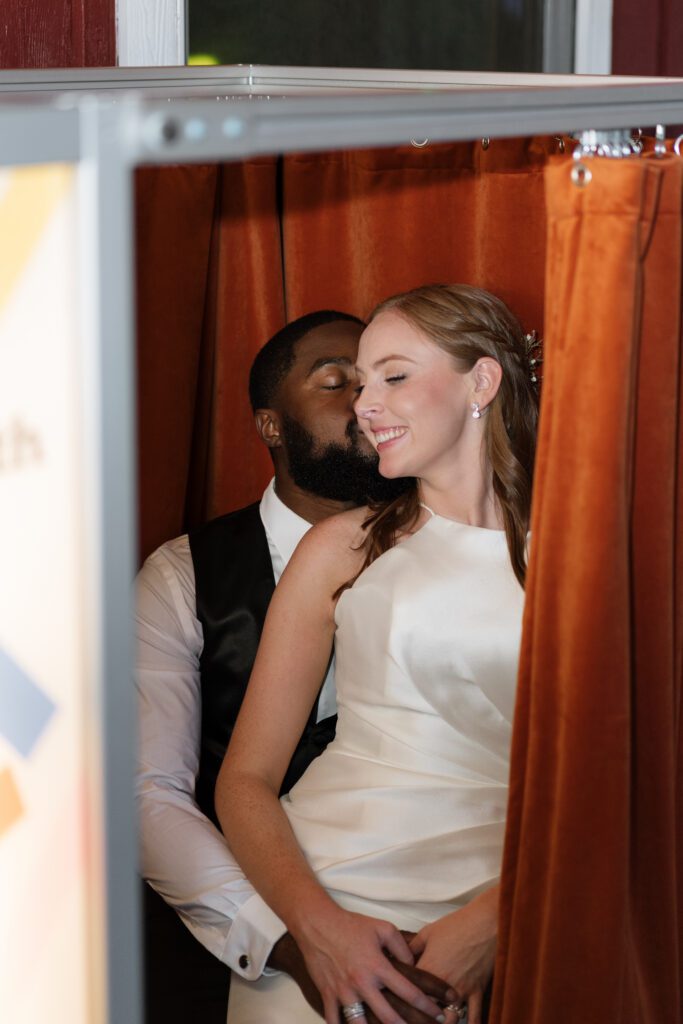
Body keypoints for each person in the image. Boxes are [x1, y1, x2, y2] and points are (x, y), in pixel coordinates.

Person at [215, 283, 539, 1024]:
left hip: (507, 915)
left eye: (393, 376)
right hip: (331, 903)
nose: (364, 405)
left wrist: (494, 923)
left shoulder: (587, 552)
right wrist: (317, 933)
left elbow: (631, 786)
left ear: (481, 383)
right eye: (360, 384)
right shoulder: (342, 548)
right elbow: (246, 780)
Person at [135, 310, 445, 1024]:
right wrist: (290, 942)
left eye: (382, 380)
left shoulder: (461, 550)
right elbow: (149, 793)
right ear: (270, 425)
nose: (367, 402)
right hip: (241, 943)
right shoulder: (182, 576)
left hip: (433, 915)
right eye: (337, 382)